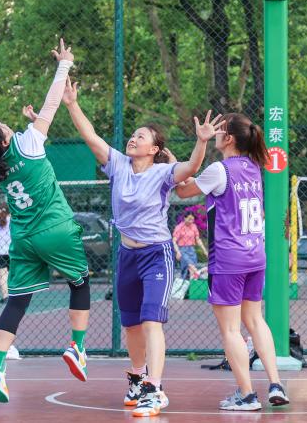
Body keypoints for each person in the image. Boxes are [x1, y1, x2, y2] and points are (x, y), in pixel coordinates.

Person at [63, 76, 222, 418]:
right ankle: (137, 379)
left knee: (152, 321)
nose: (133, 138)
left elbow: (193, 167)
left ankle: (154, 388)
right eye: (133, 134)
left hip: (156, 255)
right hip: (127, 255)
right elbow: (90, 136)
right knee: (132, 324)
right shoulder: (118, 165)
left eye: (142, 136)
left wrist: (201, 141)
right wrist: (73, 104)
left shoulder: (162, 173)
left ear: (153, 149)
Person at [0, 39, 92, 404]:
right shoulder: (28, 143)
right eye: (2, 124)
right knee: (80, 282)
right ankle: (77, 347)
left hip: (23, 238)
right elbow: (53, 103)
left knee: (17, 301)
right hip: (56, 228)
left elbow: (15, 147)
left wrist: (29, 122)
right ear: (6, 135)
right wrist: (64, 64)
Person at [174, 113, 290, 411]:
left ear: (228, 139)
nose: (214, 134)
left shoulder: (219, 169)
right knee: (256, 320)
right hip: (255, 255)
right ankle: (276, 384)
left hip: (228, 260)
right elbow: (202, 184)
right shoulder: (253, 167)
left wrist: (174, 168)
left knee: (230, 330)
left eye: (219, 131)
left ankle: (247, 395)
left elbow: (183, 191)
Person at [172, 212, 206, 281]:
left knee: (191, 271)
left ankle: (192, 282)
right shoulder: (179, 227)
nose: (191, 221)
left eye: (192, 220)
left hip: (192, 250)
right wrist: (178, 252)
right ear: (185, 218)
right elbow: (174, 241)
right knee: (190, 266)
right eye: (189, 219)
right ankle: (199, 272)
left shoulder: (194, 226)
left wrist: (204, 250)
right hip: (182, 250)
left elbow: (198, 239)